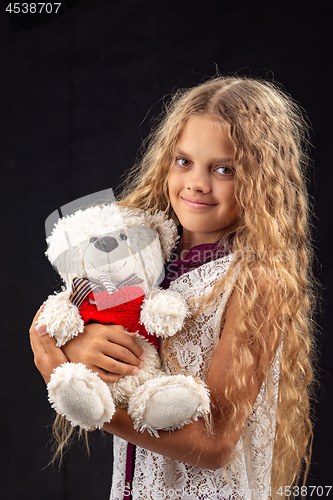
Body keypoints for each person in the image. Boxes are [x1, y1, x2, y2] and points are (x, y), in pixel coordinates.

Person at [30, 76, 319, 500]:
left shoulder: (257, 279)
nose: (198, 183)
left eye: (225, 169)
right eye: (184, 161)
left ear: (262, 180)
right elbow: (74, 301)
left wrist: (80, 395)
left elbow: (216, 444)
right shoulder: (142, 247)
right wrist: (69, 340)